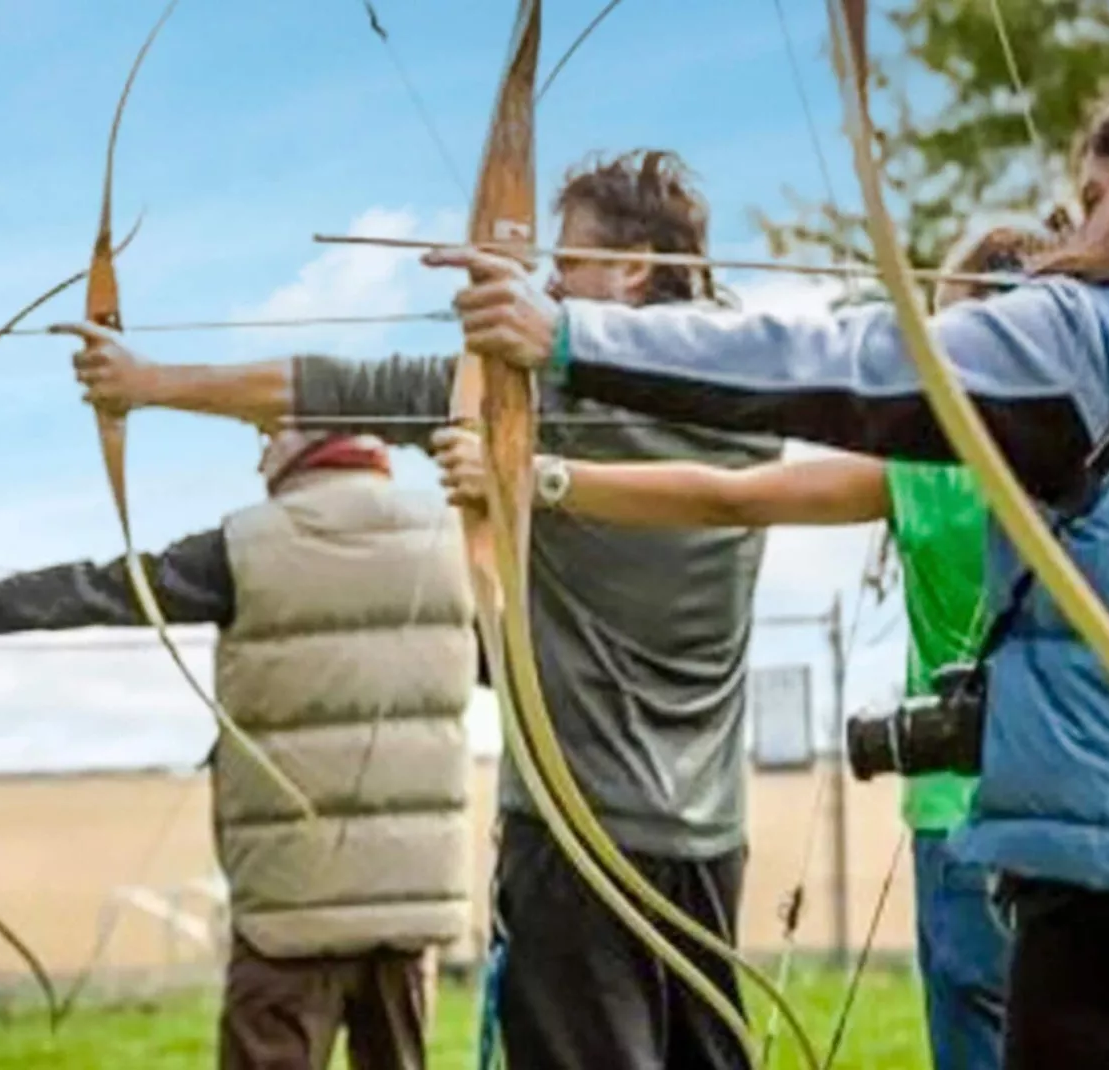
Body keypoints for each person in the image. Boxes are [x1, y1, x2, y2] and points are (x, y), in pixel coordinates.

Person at [426, 62, 1109, 1070]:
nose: (1069, 237)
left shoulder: (1084, 330)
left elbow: (842, 360)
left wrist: (567, 334)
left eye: (1095, 201)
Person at [54, 150, 784, 1070]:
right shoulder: (758, 396)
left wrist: (152, 382)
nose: (551, 282)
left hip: (576, 837)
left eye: (571, 263)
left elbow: (336, 391)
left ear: (635, 268)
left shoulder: (548, 399)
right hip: (709, 836)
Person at [432, 225, 1042, 1070]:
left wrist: (540, 477)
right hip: (1082, 815)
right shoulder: (1105, 447)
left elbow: (733, 497)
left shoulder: (929, 465)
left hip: (958, 814)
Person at [0, 429, 477, 1070]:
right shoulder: (454, 543)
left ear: (312, 436)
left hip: (289, 909)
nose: (260, 453)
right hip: (411, 910)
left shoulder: (250, 545)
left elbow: (101, 589)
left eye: (271, 434)